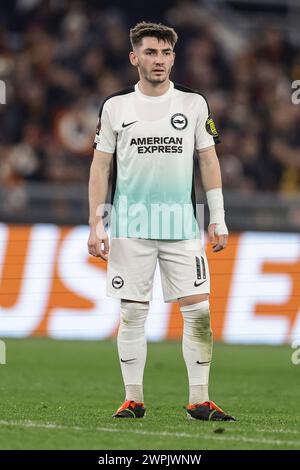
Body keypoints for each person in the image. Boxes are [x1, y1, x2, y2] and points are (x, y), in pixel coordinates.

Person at [88, 21, 235, 421]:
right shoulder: (116, 106)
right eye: (151, 52)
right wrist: (96, 223)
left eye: (166, 53)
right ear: (134, 57)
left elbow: (208, 159)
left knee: (198, 313)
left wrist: (217, 217)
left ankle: (199, 400)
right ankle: (132, 398)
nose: (160, 60)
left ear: (174, 56)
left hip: (182, 227)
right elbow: (101, 167)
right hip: (131, 227)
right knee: (133, 313)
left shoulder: (193, 104)